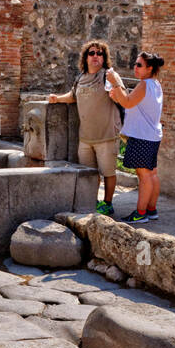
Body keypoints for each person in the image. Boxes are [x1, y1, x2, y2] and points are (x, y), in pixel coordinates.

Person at [47, 40, 124, 216]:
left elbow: (123, 98)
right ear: (86, 57)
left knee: (109, 172)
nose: (95, 56)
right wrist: (57, 99)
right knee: (89, 173)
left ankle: (108, 203)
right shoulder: (80, 78)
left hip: (106, 134)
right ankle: (92, 200)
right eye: (92, 53)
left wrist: (116, 86)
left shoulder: (108, 76)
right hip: (85, 138)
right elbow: (73, 96)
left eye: (99, 53)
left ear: (104, 58)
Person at [108, 51, 164, 224]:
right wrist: (119, 94)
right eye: (135, 64)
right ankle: (151, 210)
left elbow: (128, 103)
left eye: (139, 65)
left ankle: (140, 213)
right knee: (152, 174)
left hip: (142, 136)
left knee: (144, 176)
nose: (135, 67)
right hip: (152, 135)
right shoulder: (155, 84)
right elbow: (134, 104)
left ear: (150, 68)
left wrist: (115, 83)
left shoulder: (144, 85)